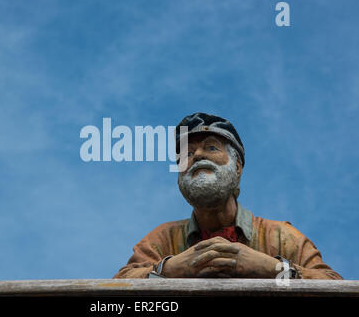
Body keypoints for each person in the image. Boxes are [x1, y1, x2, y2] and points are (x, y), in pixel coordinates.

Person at [113, 112, 342, 279]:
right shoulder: (161, 240)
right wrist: (168, 269)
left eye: (211, 148)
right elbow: (117, 290)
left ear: (238, 167)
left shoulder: (281, 237)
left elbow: (334, 287)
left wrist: (273, 269)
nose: (198, 156)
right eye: (188, 154)